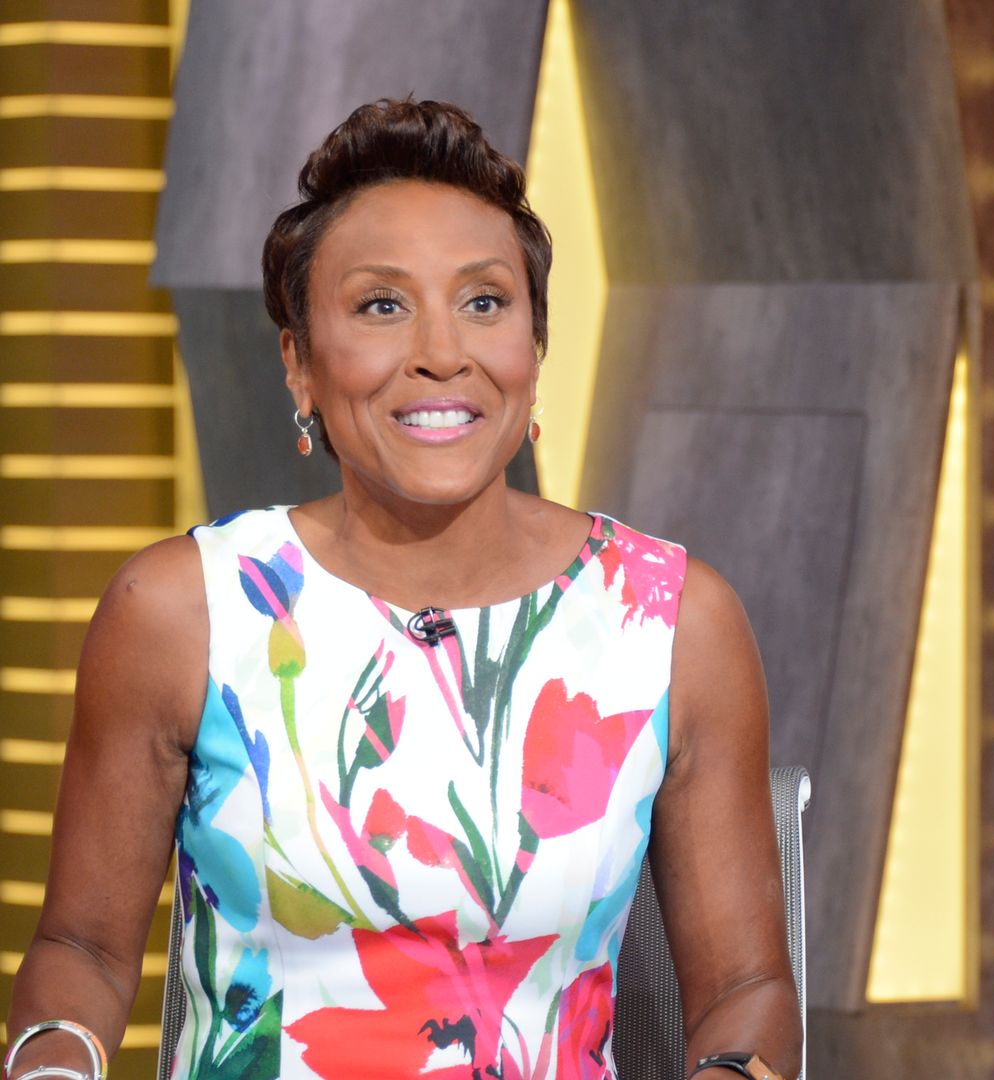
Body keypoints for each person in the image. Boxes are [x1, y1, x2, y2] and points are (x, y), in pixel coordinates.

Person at [4, 99, 800, 1080]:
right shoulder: (182, 613)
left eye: (484, 302)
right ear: (298, 362)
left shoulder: (674, 623)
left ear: (533, 352)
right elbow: (79, 951)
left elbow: (744, 994)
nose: (441, 352)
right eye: (383, 305)